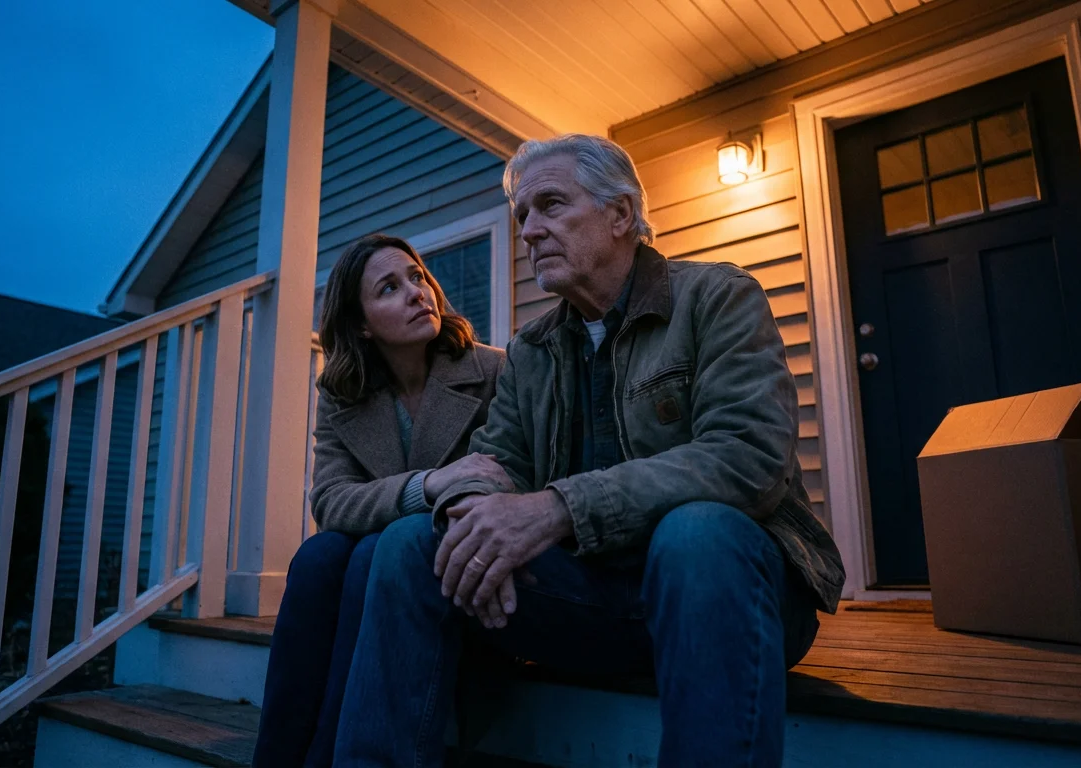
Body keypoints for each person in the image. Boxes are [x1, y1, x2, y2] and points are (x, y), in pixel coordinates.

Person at [333, 135, 846, 767]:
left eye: (549, 205)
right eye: (523, 217)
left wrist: (557, 509)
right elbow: (495, 464)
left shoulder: (716, 298)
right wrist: (477, 531)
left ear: (621, 214)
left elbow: (748, 457)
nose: (529, 232)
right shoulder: (532, 349)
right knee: (414, 541)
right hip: (590, 603)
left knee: (698, 532)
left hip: (726, 597)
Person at [251, 233, 509, 768]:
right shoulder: (343, 393)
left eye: (418, 277)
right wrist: (426, 485)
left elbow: (498, 475)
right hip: (373, 574)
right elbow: (332, 500)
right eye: (390, 288)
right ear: (363, 323)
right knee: (319, 556)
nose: (418, 293)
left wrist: (417, 501)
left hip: (455, 577)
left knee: (372, 552)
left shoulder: (494, 371)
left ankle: (325, 755)